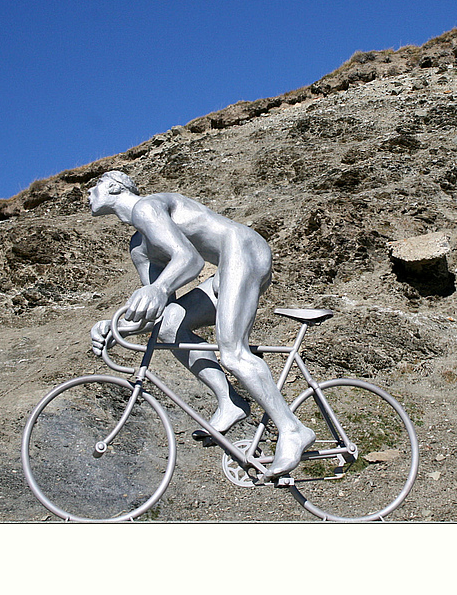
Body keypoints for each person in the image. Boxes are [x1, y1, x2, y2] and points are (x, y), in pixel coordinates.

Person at [88, 170, 315, 480]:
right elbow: (159, 311)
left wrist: (159, 288)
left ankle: (293, 430)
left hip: (242, 250)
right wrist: (117, 329)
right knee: (169, 328)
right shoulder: (138, 248)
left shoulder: (147, 207)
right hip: (225, 269)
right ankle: (230, 401)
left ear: (115, 186)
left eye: (96, 185)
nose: (89, 193)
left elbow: (190, 261)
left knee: (233, 352)